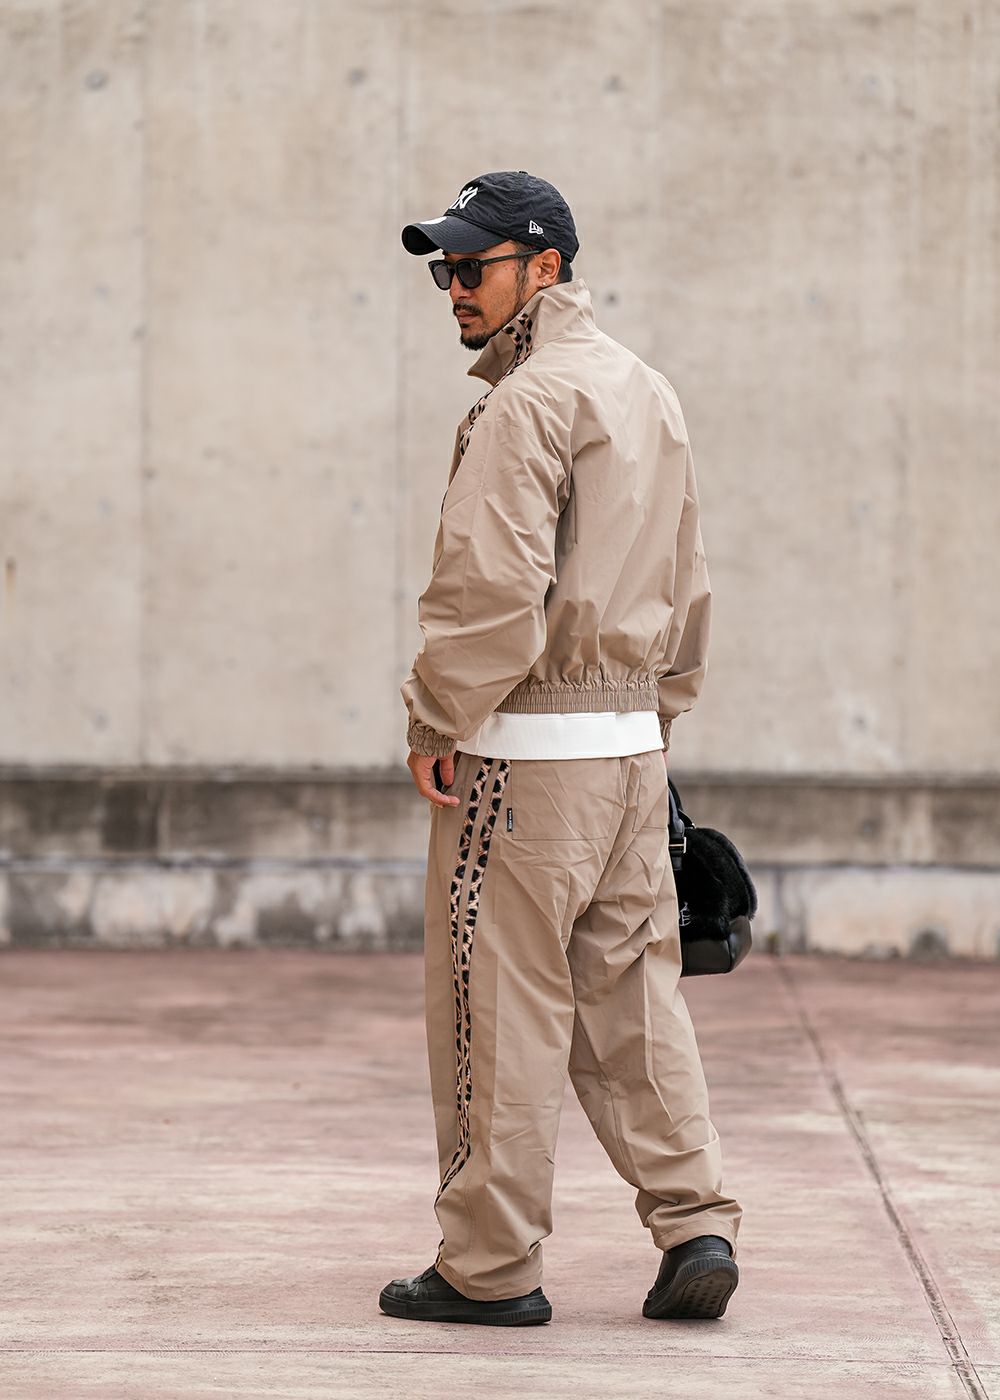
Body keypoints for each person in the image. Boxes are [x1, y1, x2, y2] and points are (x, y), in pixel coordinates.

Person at [379, 171, 742, 1328]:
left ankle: (488, 1265)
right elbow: (688, 581)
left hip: (523, 761)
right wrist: (655, 722)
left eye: (471, 265)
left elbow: (491, 592)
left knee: (497, 1004)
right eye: (443, 269)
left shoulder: (524, 403)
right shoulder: (645, 390)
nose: (453, 287)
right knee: (635, 1001)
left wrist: (435, 717)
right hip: (628, 754)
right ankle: (695, 1224)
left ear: (544, 267)